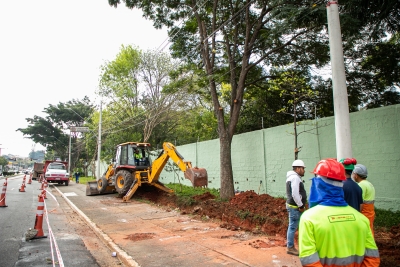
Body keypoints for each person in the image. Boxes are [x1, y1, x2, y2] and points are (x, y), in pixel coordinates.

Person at [299, 159, 379, 267]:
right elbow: (373, 259)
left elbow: (309, 261)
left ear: (318, 184)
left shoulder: (309, 219)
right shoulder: (362, 220)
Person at [286, 159, 307, 256]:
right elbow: (295, 194)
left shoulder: (293, 177)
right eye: (303, 168)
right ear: (298, 168)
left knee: (293, 226)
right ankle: (290, 247)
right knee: (293, 226)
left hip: (294, 206)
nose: (304, 170)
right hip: (295, 207)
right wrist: (301, 205)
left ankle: (292, 245)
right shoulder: (295, 178)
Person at [353, 163, 376, 235]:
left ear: (356, 175)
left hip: (365, 212)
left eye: (353, 174)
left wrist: (357, 214)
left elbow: (360, 202)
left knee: (364, 231)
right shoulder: (369, 184)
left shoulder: (361, 185)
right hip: (370, 211)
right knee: (369, 230)